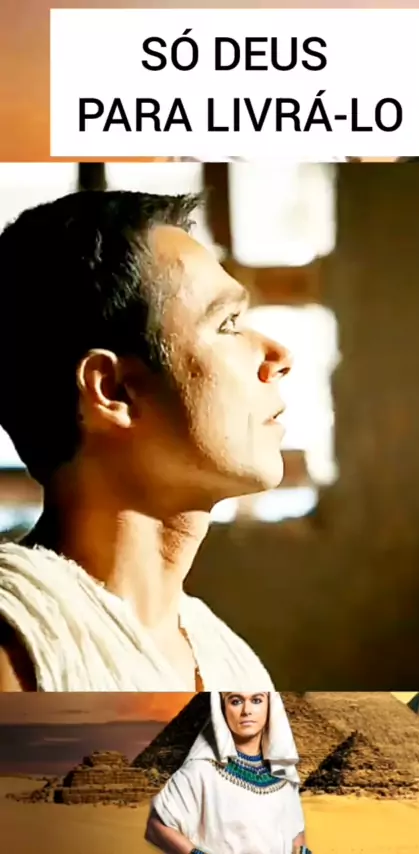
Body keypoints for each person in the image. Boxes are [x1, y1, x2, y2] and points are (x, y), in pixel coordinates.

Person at [0, 190, 292, 691]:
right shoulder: (17, 651)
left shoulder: (230, 662)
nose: (279, 355)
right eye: (227, 324)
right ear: (114, 390)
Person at [146, 691, 313, 854]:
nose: (246, 710)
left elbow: (296, 835)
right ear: (222, 708)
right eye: (236, 701)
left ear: (270, 706)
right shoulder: (200, 771)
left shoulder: (283, 774)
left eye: (256, 700)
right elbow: (156, 827)